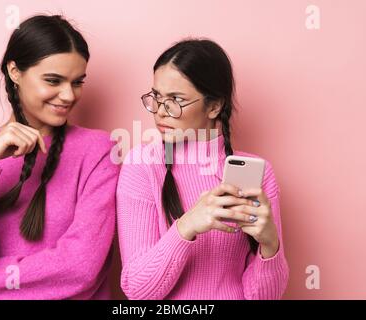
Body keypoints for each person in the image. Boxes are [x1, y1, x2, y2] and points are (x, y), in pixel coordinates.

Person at [0, 15, 119, 299]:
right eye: (53, 80)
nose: (68, 95)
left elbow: (81, 267)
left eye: (77, 82)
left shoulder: (99, 151)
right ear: (15, 71)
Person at [116, 39, 289, 299]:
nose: (161, 112)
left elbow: (265, 297)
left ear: (214, 106)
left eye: (176, 100)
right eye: (157, 97)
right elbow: (138, 291)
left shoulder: (258, 173)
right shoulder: (141, 165)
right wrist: (187, 226)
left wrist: (270, 246)